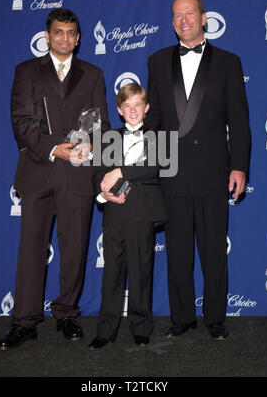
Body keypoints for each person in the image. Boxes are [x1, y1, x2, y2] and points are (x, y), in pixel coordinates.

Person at [0, 8, 110, 350]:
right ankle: (24, 321)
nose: (65, 38)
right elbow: (20, 122)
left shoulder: (93, 74)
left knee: (74, 248)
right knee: (31, 248)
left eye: (71, 33)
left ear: (78, 37)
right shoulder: (26, 71)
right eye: (58, 32)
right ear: (47, 35)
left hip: (78, 174)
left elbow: (99, 124)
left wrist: (85, 147)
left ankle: (67, 313)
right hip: (38, 171)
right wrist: (54, 149)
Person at [146, 0, 251, 340]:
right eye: (177, 16)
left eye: (190, 14)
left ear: (204, 18)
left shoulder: (228, 62)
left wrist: (239, 167)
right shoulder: (157, 61)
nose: (184, 21)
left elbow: (238, 120)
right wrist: (148, 168)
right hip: (172, 173)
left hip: (212, 171)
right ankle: (181, 317)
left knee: (212, 252)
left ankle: (215, 317)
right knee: (177, 251)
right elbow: (154, 121)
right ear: (172, 21)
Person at [88, 83, 167, 349]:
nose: (132, 110)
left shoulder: (159, 136)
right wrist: (104, 194)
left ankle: (141, 326)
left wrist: (120, 171)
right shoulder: (108, 137)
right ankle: (105, 329)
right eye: (127, 106)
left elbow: (155, 167)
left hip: (143, 212)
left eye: (137, 105)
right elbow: (99, 173)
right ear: (120, 111)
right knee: (112, 272)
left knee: (141, 271)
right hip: (114, 211)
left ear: (146, 108)